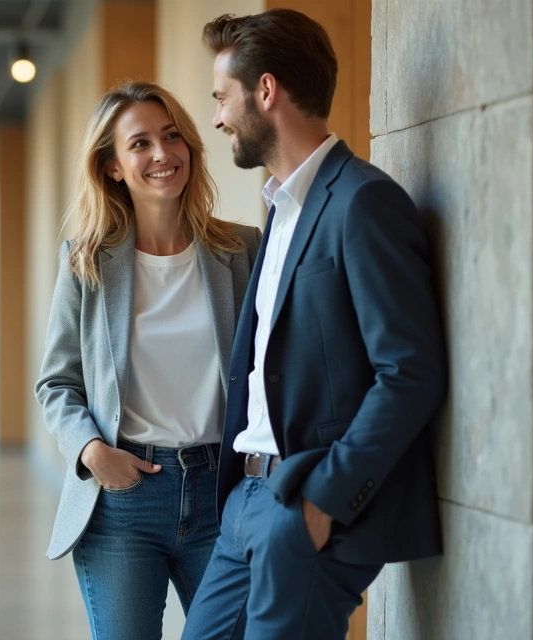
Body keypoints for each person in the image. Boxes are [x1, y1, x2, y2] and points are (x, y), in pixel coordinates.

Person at [180, 10, 448, 640]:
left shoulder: (362, 202)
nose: (217, 117)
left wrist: (326, 496)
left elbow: (409, 372)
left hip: (305, 505)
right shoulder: (280, 208)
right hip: (244, 501)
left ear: (265, 91)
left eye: (222, 97)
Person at [35, 81, 262, 640]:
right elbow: (56, 383)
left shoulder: (243, 250)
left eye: (172, 136)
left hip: (222, 494)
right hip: (123, 502)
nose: (162, 154)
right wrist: (89, 450)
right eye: (139, 144)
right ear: (112, 166)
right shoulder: (86, 261)